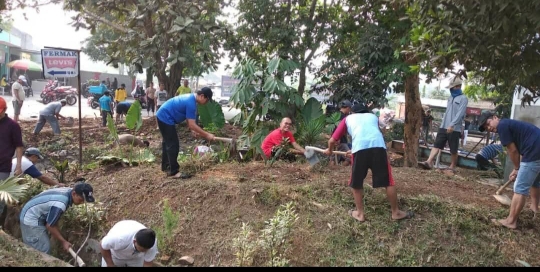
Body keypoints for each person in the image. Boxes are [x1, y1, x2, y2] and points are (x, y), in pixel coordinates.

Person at [324, 103, 414, 223]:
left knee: (356, 182)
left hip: (360, 150)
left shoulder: (348, 118)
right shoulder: (373, 117)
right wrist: (355, 149)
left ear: (353, 112)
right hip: (378, 148)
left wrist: (329, 150)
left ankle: (360, 214)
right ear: (366, 111)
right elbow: (369, 134)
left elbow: (332, 140)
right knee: (388, 181)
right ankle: (396, 212)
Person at [478, 112, 540, 229]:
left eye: (488, 123)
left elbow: (512, 151)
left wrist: (517, 168)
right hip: (535, 148)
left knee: (520, 187)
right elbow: (520, 150)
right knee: (535, 181)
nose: (489, 128)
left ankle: (511, 221)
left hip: (534, 151)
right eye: (486, 128)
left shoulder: (502, 126)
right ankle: (534, 209)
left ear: (495, 117)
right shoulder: (510, 124)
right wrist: (518, 168)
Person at [19, 182, 95, 254]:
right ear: (74, 194)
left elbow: (52, 221)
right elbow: (50, 226)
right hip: (30, 218)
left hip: (31, 212)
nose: (82, 203)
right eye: (81, 200)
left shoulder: (68, 191)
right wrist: (63, 242)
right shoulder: (61, 203)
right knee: (43, 249)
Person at [156, 87, 216, 179]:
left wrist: (193, 130)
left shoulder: (191, 99)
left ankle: (166, 167)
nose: (206, 103)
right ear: (202, 96)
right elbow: (192, 124)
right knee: (173, 144)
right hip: (165, 117)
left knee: (167, 143)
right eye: (207, 100)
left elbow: (189, 120)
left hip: (162, 115)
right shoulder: (191, 102)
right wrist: (207, 135)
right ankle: (173, 172)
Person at [418, 77, 468, 173]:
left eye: (452, 87)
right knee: (437, 144)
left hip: (454, 128)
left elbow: (460, 113)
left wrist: (452, 124)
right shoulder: (450, 98)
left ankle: (452, 166)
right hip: (443, 126)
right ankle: (429, 161)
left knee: (453, 148)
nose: (451, 89)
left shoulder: (463, 99)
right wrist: (444, 124)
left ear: (458, 87)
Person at [0, 96, 24, 221]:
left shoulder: (12, 126)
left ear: (4, 110)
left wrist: (18, 166)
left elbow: (19, 146)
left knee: (1, 196)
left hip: (3, 166)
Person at [331, 100, 352, 165]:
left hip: (333, 139)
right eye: (349, 109)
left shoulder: (335, 114)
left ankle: (332, 170)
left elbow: (332, 127)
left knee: (333, 157)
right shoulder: (344, 117)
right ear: (348, 108)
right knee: (349, 158)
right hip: (341, 140)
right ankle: (340, 169)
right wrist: (338, 138)